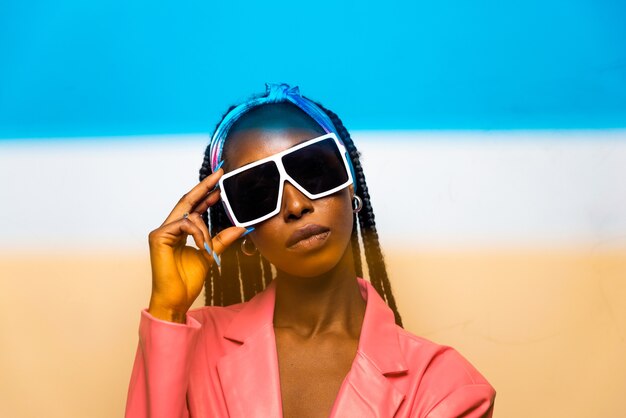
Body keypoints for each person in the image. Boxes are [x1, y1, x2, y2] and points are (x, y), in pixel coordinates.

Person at [124, 82, 496, 417]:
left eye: (313, 170)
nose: (296, 204)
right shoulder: (188, 345)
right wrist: (168, 312)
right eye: (258, 192)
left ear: (352, 187)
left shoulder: (447, 387)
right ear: (244, 232)